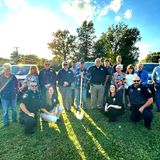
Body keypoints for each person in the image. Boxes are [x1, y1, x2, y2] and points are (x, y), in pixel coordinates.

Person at [0, 63, 18, 127]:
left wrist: (16, 91)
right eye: (7, 69)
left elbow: (16, 84)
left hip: (13, 96)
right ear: (4, 69)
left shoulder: (13, 76)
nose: (8, 71)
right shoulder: (1, 76)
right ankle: (6, 122)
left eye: (9, 69)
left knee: (14, 109)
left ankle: (14, 120)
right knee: (5, 111)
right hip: (4, 97)